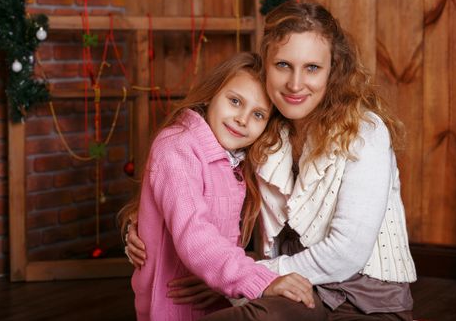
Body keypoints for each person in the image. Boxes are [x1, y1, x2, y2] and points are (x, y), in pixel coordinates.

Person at [126, 2, 417, 321]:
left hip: (366, 300)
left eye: (312, 68)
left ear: (333, 70)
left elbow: (346, 254)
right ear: (266, 65)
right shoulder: (262, 131)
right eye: (283, 65)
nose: (295, 84)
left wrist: (251, 278)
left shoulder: (364, 131)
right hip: (295, 294)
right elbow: (195, 188)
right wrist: (142, 226)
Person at [118, 52, 318, 321]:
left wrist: (220, 283)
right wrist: (260, 280)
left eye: (258, 114)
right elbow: (194, 234)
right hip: (171, 304)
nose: (242, 119)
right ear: (211, 95)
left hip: (215, 296)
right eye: (235, 101)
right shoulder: (177, 146)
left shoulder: (237, 160)